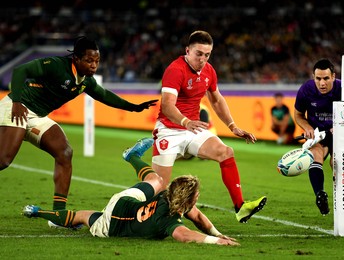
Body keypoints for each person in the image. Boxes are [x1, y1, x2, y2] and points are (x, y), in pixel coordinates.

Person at [0, 36, 158, 217]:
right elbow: (21, 70)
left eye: (97, 61)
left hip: (38, 116)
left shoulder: (86, 81)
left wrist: (133, 107)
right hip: (17, 107)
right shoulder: (56, 65)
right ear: (76, 58)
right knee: (3, 160)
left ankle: (59, 214)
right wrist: (18, 102)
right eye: (89, 60)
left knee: (65, 152)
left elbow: (104, 95)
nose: (94, 65)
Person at [22, 138, 239, 246]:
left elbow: (198, 216)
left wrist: (217, 235)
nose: (198, 198)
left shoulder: (167, 194)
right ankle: (36, 211)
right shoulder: (170, 221)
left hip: (124, 203)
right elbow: (184, 234)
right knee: (82, 216)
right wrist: (216, 240)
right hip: (112, 227)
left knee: (156, 179)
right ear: (188, 200)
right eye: (196, 195)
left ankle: (131, 157)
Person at [151, 30, 267, 223]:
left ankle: (240, 207)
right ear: (187, 50)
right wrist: (186, 121)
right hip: (169, 131)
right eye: (199, 54)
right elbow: (167, 105)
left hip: (192, 129)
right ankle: (143, 216)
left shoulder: (209, 71)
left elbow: (217, 100)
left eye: (207, 55)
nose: (203, 59)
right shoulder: (175, 69)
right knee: (158, 187)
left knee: (226, 152)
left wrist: (233, 126)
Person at [293, 59, 344, 215]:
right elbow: (298, 115)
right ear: (313, 77)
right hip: (318, 133)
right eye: (318, 78)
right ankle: (320, 195)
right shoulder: (306, 90)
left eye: (326, 78)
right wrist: (307, 128)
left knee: (337, 162)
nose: (322, 83)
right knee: (315, 155)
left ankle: (342, 203)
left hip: (340, 134)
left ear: (333, 76)